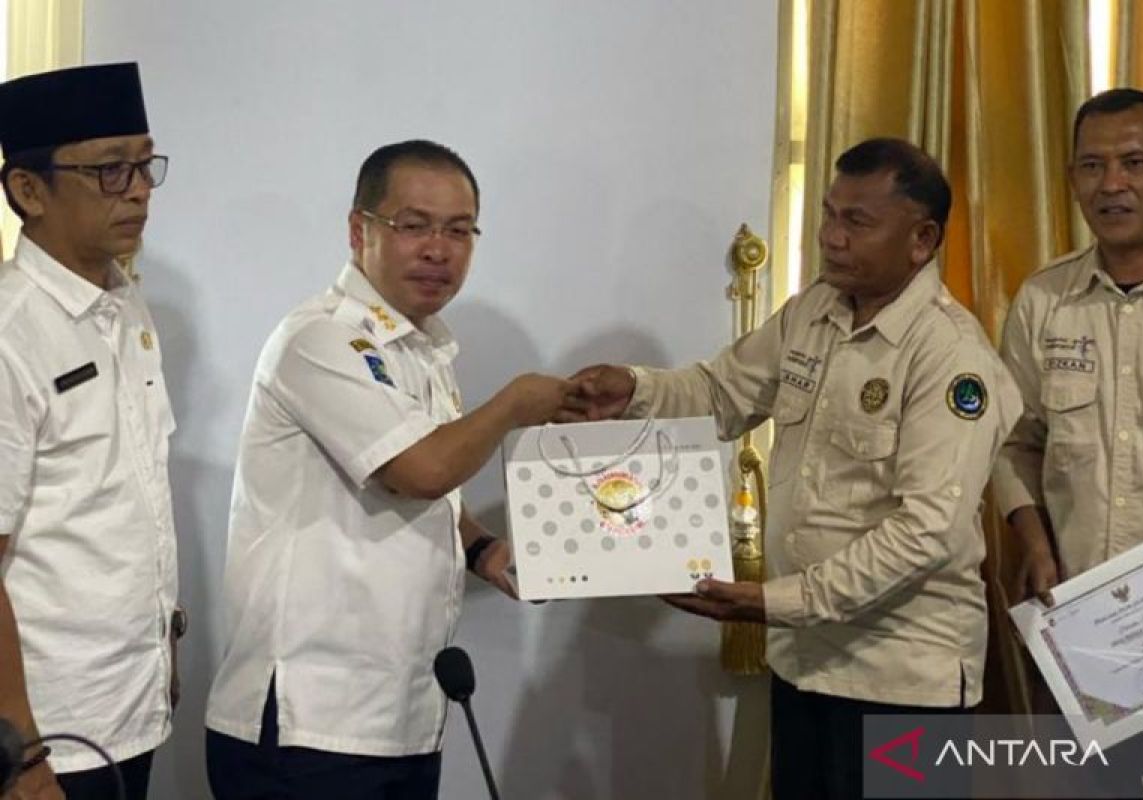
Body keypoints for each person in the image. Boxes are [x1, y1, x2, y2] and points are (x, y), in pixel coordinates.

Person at [562, 138, 1021, 799]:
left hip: (902, 677)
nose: (831, 238)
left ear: (921, 240)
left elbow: (928, 530)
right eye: (828, 215)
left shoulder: (951, 358)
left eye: (856, 222)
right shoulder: (815, 311)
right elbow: (723, 393)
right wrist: (632, 390)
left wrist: (775, 601)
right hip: (807, 664)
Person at [204, 139, 574, 800]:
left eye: (459, 230)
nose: (438, 248)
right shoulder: (320, 339)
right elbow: (421, 470)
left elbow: (431, 494)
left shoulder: (422, 349)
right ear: (359, 230)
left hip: (401, 717)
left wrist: (483, 548)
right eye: (414, 225)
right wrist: (517, 402)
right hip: (309, 725)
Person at [995, 88, 1143, 780]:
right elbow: (1012, 441)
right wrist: (1032, 539)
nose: (1111, 184)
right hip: (1086, 627)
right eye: (1091, 166)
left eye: (1135, 162)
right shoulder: (1043, 301)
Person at [0, 63, 180, 800]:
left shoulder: (124, 302)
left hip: (130, 706)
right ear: (28, 191)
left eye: (144, 163)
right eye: (110, 169)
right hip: (51, 730)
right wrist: (20, 750)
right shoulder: (13, 333)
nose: (137, 188)